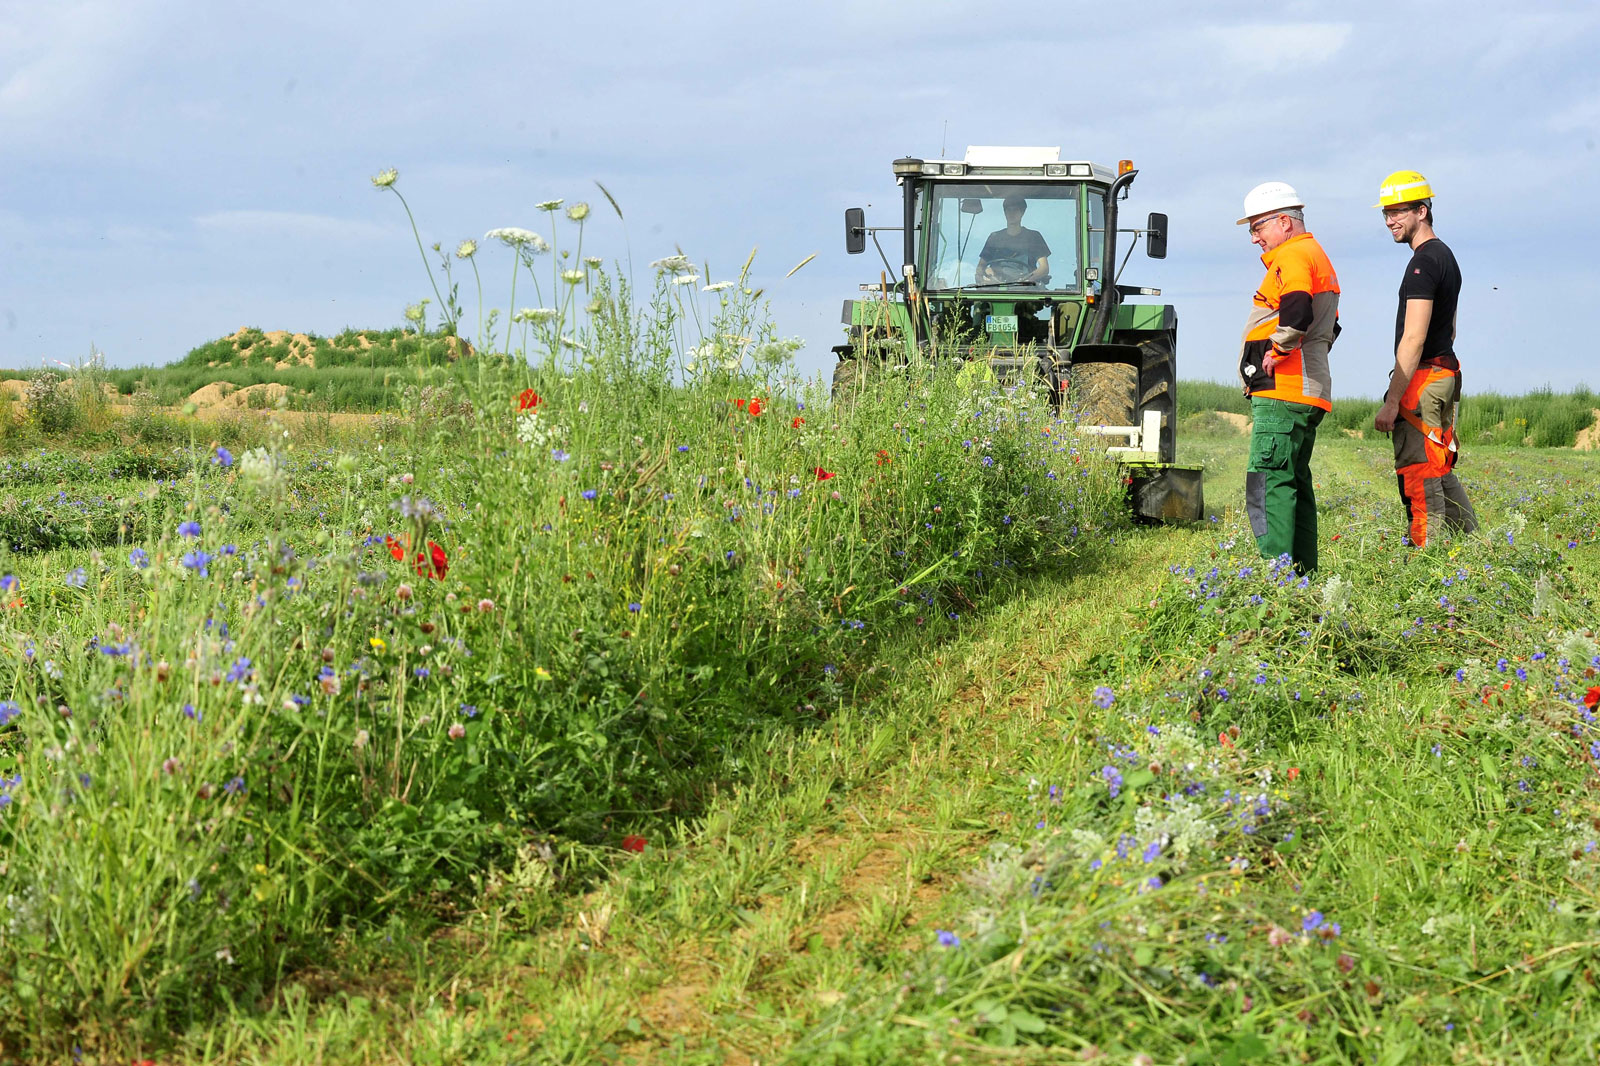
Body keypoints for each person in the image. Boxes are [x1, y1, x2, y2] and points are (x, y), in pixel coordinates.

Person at [1234, 181, 1341, 574]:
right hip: (1306, 394)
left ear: (1283, 222)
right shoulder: (1317, 257)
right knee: (1295, 486)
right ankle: (1302, 579)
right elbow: (1331, 328)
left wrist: (1277, 351)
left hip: (1283, 393)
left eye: (1257, 227)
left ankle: (1274, 580)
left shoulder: (1293, 256)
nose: (1254, 237)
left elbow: (1296, 311)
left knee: (1267, 484)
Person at [1372, 169, 1478, 547]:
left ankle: (1426, 557)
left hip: (1423, 378)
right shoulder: (1445, 257)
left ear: (1422, 210)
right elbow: (1449, 330)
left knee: (1420, 470)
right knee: (1438, 464)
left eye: (1398, 212)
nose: (1390, 221)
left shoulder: (1422, 263)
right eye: (1386, 213)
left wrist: (1392, 399)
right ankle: (1472, 541)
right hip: (1444, 372)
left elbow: (1414, 337)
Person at [976, 195, 1050, 284]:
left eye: (1015, 210)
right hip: (995, 287)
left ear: (1022, 213)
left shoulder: (1034, 237)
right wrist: (986, 273)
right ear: (1005, 213)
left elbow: (1044, 268)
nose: (1011, 214)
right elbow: (980, 266)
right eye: (1008, 210)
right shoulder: (994, 237)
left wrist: (1028, 280)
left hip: (1026, 289)